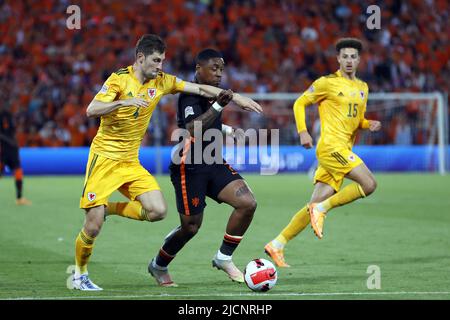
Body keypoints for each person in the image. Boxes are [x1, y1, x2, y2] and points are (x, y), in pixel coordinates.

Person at [72, 35, 262, 291]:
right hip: (105, 158)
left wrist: (236, 98)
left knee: (157, 212)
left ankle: (109, 209)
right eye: (156, 60)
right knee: (92, 226)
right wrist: (123, 102)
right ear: (141, 58)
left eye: (162, 60)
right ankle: (80, 274)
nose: (160, 65)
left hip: (130, 161)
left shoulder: (162, 82)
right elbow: (91, 110)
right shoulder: (119, 79)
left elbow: (200, 89)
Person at [264, 38, 381, 267]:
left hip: (343, 150)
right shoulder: (326, 83)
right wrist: (303, 132)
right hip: (330, 147)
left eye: (353, 56)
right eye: (344, 56)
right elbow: (299, 103)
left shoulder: (363, 88)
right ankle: (323, 209)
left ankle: (277, 244)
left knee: (312, 204)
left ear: (359, 60)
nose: (349, 60)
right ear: (338, 58)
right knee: (369, 184)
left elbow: (356, 120)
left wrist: (368, 125)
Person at [147, 49, 258, 287]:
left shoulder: (213, 94)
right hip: (189, 167)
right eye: (214, 68)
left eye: (221, 69)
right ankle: (158, 265)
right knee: (191, 228)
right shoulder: (188, 94)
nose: (219, 74)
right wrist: (218, 106)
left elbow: (212, 121)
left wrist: (228, 130)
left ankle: (223, 258)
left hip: (214, 161)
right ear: (199, 69)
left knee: (247, 203)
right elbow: (192, 128)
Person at [0, 103, 32, 206]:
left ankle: (19, 198)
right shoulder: (4, 116)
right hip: (3, 149)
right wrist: (10, 142)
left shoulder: (10, 116)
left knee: (18, 170)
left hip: (12, 150)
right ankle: (19, 198)